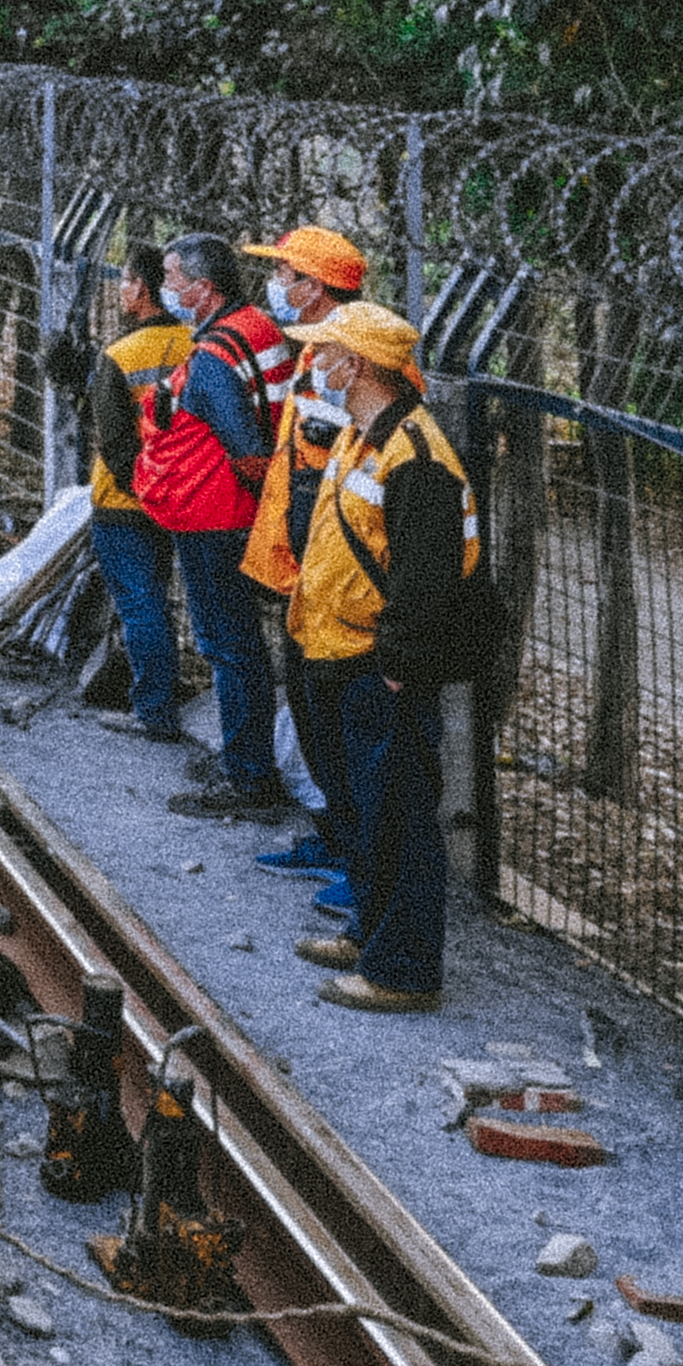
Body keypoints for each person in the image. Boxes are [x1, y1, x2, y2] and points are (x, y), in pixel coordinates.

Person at [281, 299, 486, 1015]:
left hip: (373, 664)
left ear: (358, 365)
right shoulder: (363, 437)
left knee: (395, 815)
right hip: (333, 651)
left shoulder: (418, 458)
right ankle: (371, 933)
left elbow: (427, 579)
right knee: (362, 809)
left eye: (326, 353)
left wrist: (395, 664)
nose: (315, 365)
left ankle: (401, 968)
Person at [141, 236, 293, 823]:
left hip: (215, 517)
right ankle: (247, 761)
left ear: (205, 289)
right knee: (243, 646)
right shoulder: (258, 328)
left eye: (174, 278)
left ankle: (247, 776)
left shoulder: (212, 360)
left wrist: (262, 503)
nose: (167, 288)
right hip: (232, 512)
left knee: (229, 647)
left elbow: (249, 451)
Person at [239, 227, 372, 894]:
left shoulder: (349, 361)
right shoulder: (316, 352)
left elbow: (332, 487)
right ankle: (334, 838)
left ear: (314, 287)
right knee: (317, 721)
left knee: (338, 729)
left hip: (327, 585)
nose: (278, 286)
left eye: (287, 274)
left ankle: (357, 857)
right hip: (300, 574)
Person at [43, 249, 199, 742]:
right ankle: (163, 690)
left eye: (126, 280)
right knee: (168, 601)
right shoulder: (197, 344)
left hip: (126, 503)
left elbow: (113, 442)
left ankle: (154, 708)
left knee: (140, 604)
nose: (120, 289)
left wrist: (144, 490)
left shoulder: (120, 357)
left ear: (141, 290)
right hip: (188, 496)